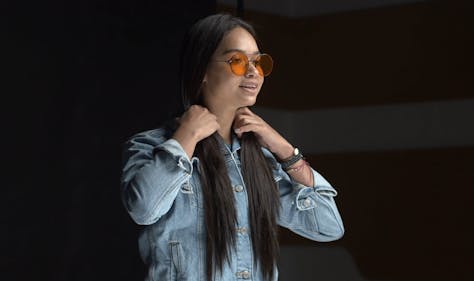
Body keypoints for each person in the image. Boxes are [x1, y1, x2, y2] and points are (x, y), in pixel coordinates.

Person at [120, 13, 344, 281]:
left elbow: (327, 227)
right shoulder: (152, 145)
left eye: (258, 62)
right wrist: (187, 136)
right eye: (237, 61)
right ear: (202, 70)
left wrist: (284, 149)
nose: (253, 72)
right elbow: (144, 209)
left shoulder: (261, 159)